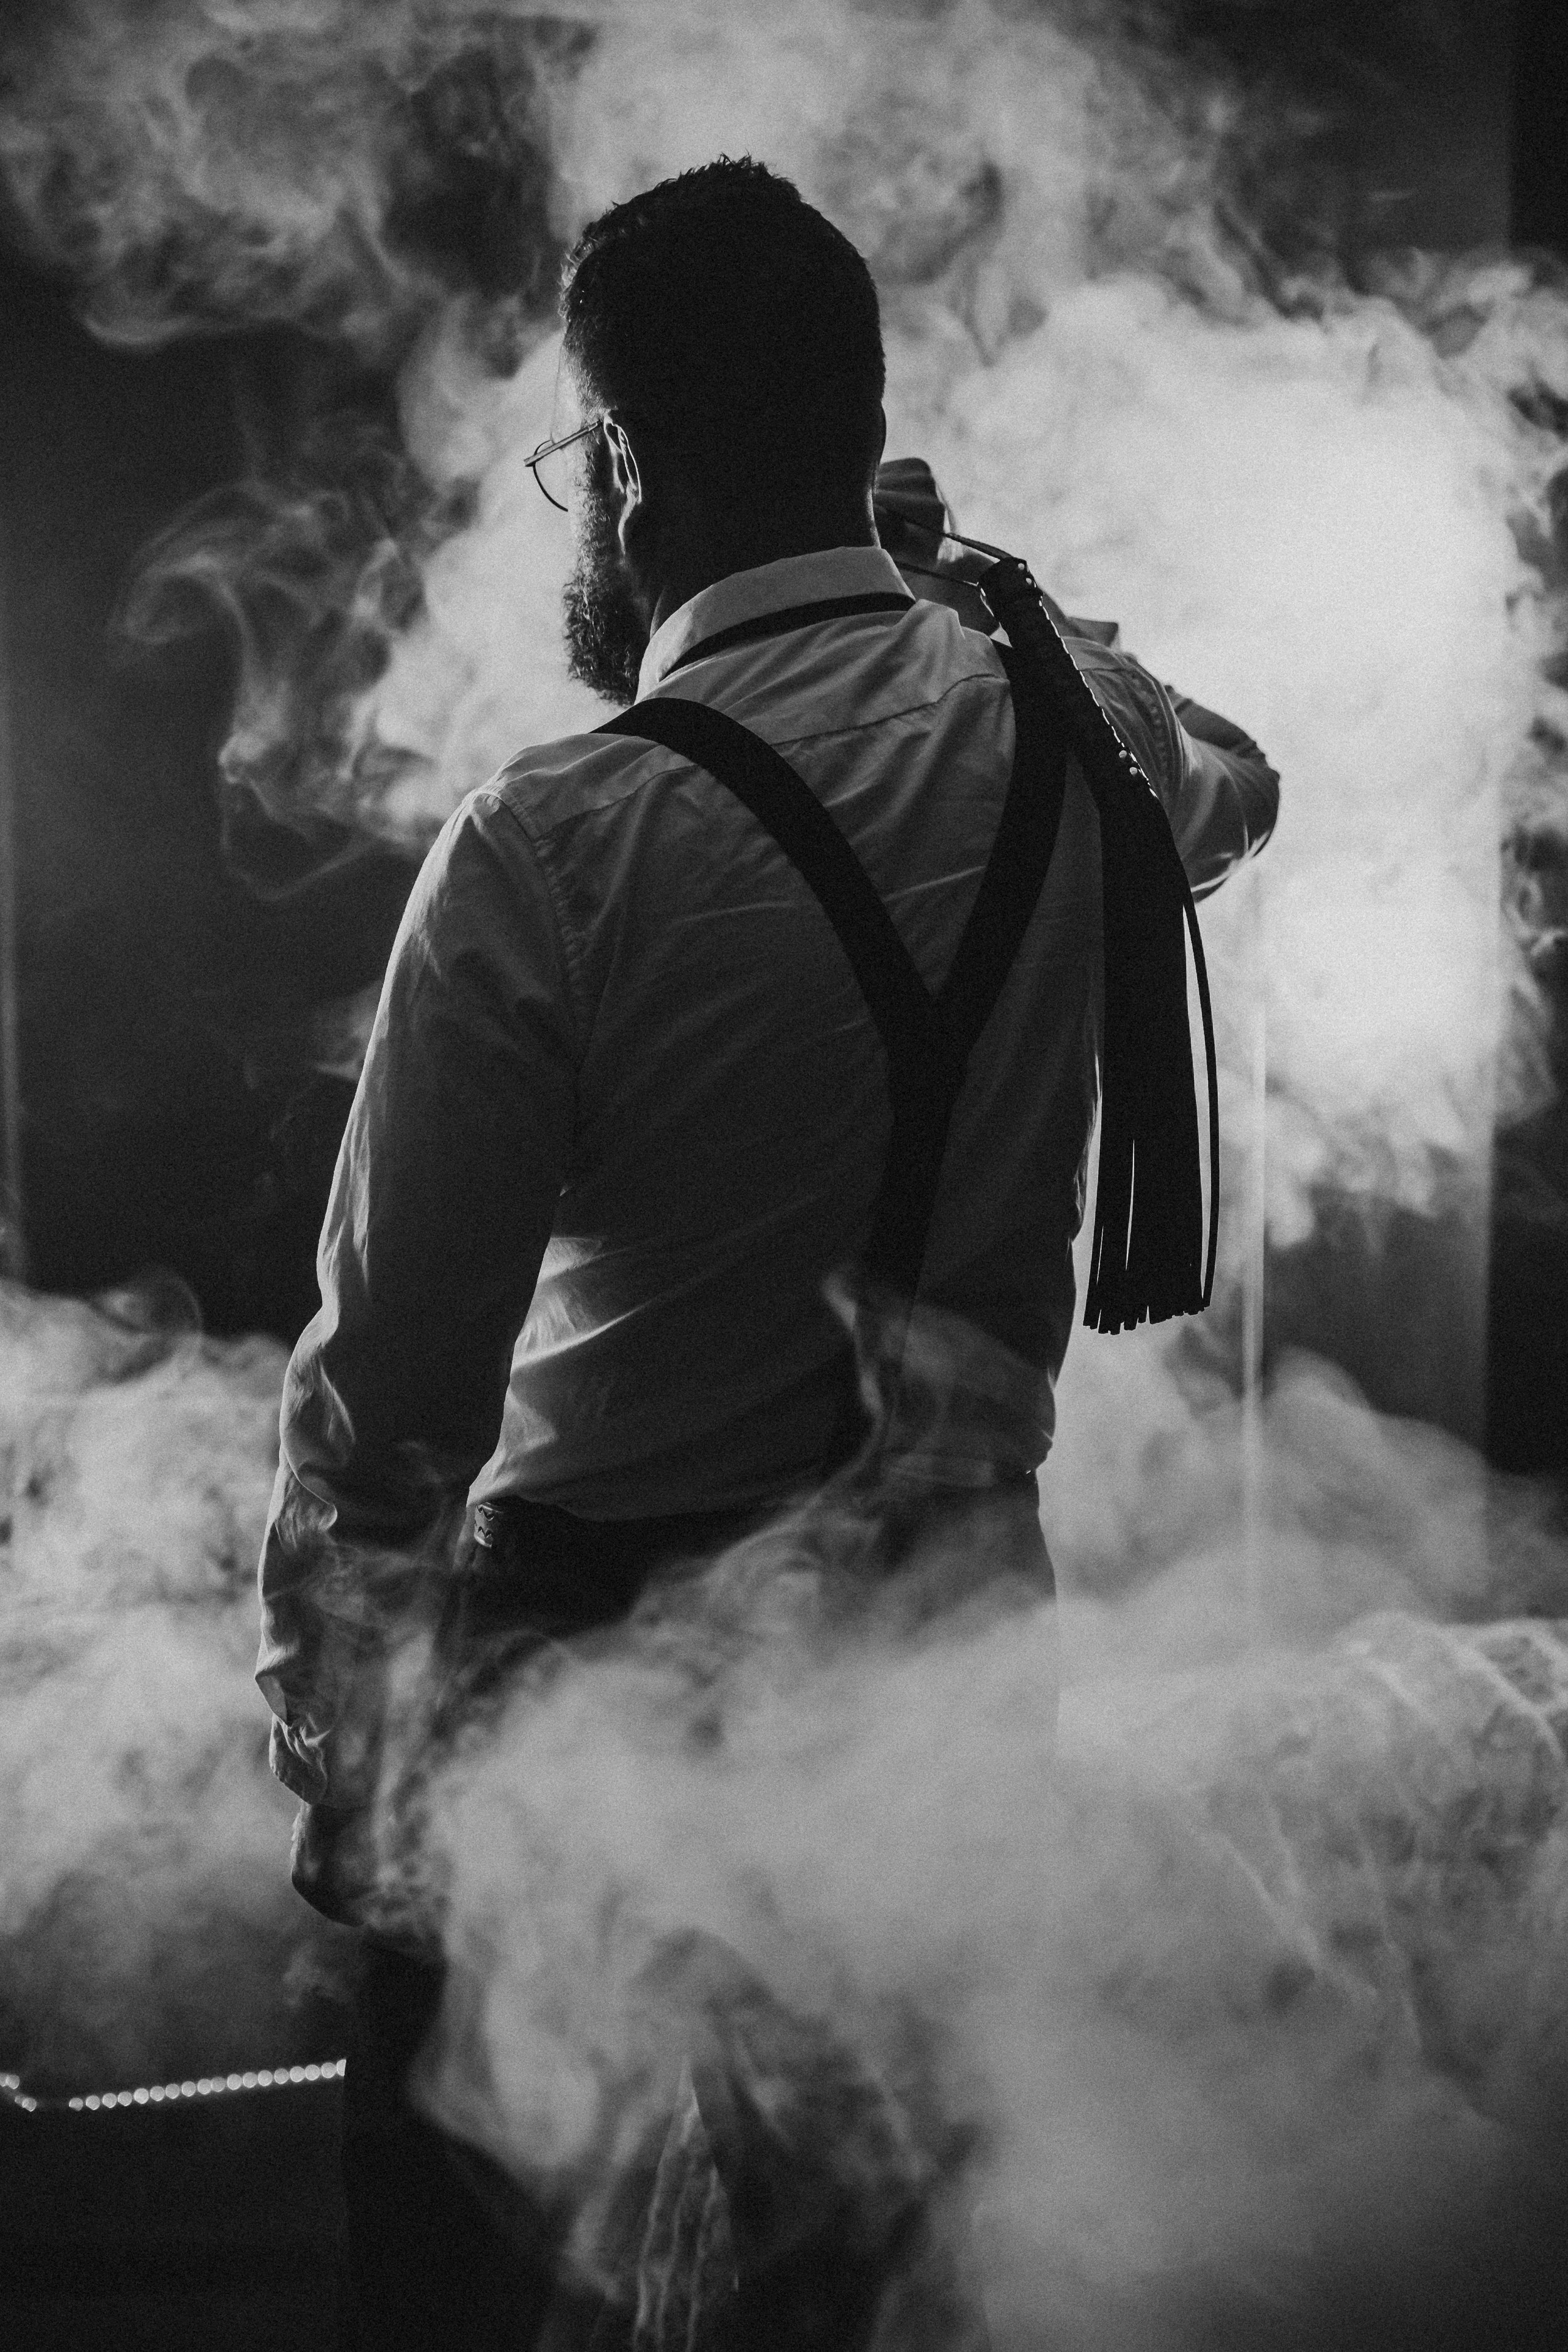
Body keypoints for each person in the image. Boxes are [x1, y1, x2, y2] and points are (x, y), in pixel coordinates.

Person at [255, 157, 1279, 2351]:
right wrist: (986, 598)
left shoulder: (551, 842)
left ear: (626, 466)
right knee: (861, 2298)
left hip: (580, 1679)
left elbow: (391, 1400)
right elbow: (1240, 780)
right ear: (859, 426)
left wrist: (350, 1778)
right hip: (937, 1660)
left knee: (474, 2295)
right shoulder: (1079, 745)